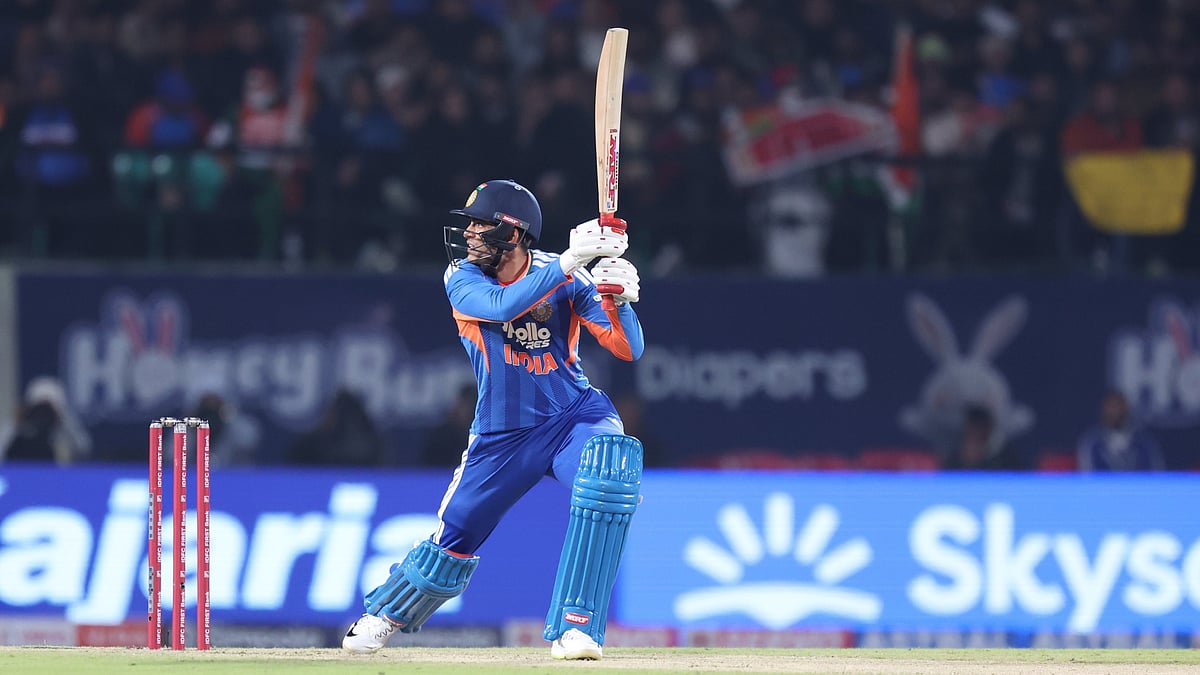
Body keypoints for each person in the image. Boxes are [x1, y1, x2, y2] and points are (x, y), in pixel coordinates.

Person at [342, 179, 644, 661]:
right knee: (455, 536)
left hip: (573, 416)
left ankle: (577, 627)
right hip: (503, 433)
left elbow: (627, 349)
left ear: (513, 233)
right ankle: (385, 614)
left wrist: (620, 301)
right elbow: (503, 306)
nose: (469, 234)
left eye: (480, 225)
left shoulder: (568, 277)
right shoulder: (461, 278)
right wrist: (571, 260)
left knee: (608, 477)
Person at [1077, 389, 1165, 471]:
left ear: (1126, 408)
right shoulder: (1092, 443)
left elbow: (1156, 474)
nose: (1114, 412)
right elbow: (1087, 475)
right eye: (1110, 407)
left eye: (1117, 406)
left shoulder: (1144, 442)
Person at [942, 404, 1026, 471]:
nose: (975, 431)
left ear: (989, 428)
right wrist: (966, 462)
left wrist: (982, 460)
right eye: (972, 425)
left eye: (979, 425)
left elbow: (1018, 477)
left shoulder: (1005, 456)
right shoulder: (955, 456)